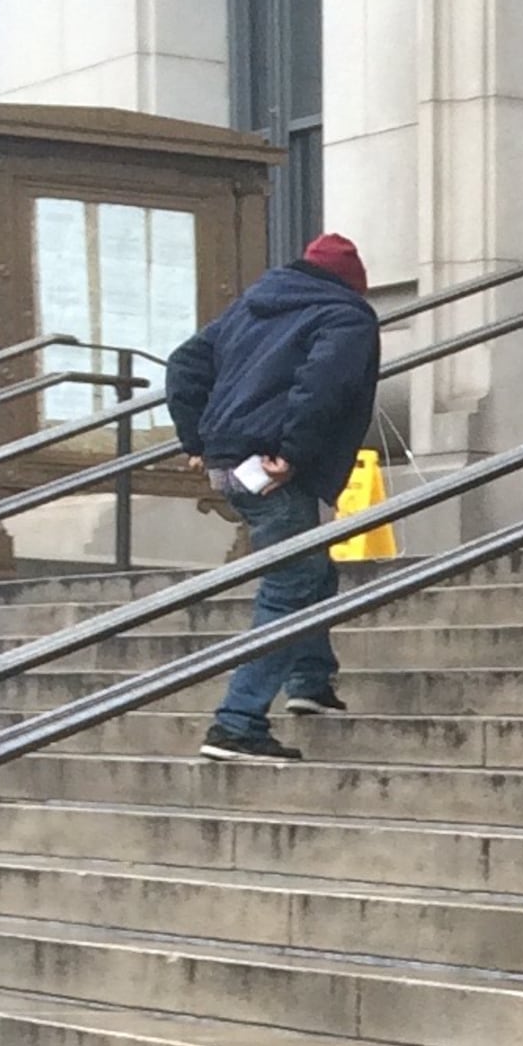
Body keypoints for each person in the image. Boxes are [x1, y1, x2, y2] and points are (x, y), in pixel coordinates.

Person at [169, 229, 381, 765]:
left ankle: (310, 679)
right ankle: (237, 723)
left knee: (311, 566)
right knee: (291, 584)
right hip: (273, 465)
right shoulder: (346, 317)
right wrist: (293, 453)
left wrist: (196, 439)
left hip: (229, 460)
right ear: (353, 284)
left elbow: (184, 363)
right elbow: (323, 386)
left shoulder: (252, 307)